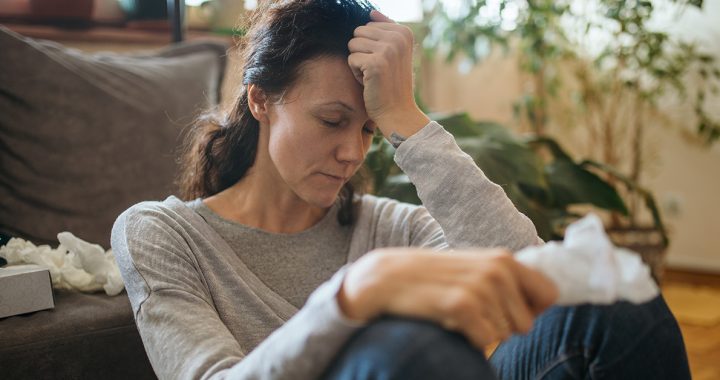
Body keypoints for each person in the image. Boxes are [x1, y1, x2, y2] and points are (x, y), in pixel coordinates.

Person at [111, 0, 691, 379]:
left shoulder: (391, 226)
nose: (352, 152)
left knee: (613, 302)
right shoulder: (164, 233)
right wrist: (350, 298)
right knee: (406, 354)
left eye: (369, 130)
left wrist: (405, 118)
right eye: (332, 120)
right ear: (260, 99)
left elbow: (531, 277)